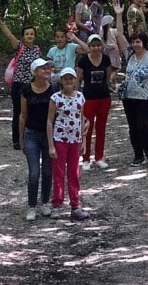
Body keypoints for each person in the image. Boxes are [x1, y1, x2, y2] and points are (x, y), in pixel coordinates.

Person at [113, 1, 148, 170]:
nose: (135, 44)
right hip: (129, 98)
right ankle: (138, 156)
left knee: (143, 127)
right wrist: (119, 14)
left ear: (144, 43)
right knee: (133, 128)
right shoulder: (129, 55)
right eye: (133, 42)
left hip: (145, 98)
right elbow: (119, 35)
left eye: (138, 42)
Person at [0, 15, 42, 150]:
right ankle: (16, 140)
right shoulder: (19, 46)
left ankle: (29, 138)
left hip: (32, 85)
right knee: (19, 112)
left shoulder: (37, 49)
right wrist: (0, 22)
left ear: (35, 36)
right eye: (27, 34)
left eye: (32, 34)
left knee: (31, 112)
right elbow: (9, 35)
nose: (29, 36)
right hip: (19, 85)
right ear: (23, 36)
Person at [47, 67, 90, 220]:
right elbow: (50, 121)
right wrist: (51, 144)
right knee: (58, 173)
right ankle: (57, 205)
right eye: (65, 79)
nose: (69, 81)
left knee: (74, 173)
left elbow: (82, 119)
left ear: (75, 80)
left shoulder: (80, 97)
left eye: (71, 78)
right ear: (61, 81)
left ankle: (75, 205)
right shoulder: (55, 98)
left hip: (75, 140)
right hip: (60, 139)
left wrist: (84, 141)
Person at [19, 58, 56, 221]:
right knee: (34, 173)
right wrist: (20, 138)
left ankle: (45, 202)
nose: (47, 70)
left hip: (49, 135)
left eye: (48, 68)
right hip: (31, 135)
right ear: (35, 72)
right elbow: (22, 115)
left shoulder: (54, 89)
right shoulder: (26, 90)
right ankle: (31, 206)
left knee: (48, 172)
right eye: (43, 68)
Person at [77, 34, 114, 170]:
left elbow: (108, 78)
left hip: (104, 98)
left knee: (101, 128)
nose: (96, 48)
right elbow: (78, 79)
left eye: (98, 45)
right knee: (87, 128)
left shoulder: (106, 59)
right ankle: (85, 158)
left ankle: (99, 157)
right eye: (93, 45)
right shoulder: (83, 61)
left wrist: (107, 89)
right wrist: (76, 97)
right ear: (89, 46)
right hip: (88, 98)